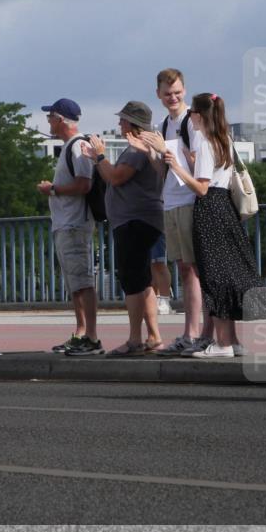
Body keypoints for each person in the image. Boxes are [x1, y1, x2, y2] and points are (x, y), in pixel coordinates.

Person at [164, 93, 259, 358]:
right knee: (227, 274)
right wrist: (192, 163)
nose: (189, 117)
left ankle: (224, 344)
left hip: (209, 211)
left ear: (199, 114)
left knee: (214, 277)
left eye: (192, 111)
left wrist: (177, 167)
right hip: (225, 208)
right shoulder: (224, 140)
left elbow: (202, 188)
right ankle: (232, 341)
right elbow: (217, 175)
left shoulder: (205, 142)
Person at [82, 102, 165, 356]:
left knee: (131, 280)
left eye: (123, 121)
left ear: (132, 123)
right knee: (143, 280)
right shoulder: (145, 147)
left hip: (134, 221)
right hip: (142, 220)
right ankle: (153, 336)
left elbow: (115, 176)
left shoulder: (137, 150)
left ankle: (134, 339)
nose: (120, 124)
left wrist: (98, 156)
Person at [148, 68, 213, 355]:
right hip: (171, 200)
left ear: (184, 90)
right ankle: (191, 332)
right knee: (184, 268)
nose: (172, 97)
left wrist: (170, 155)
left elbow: (199, 163)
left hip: (189, 199)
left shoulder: (191, 121)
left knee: (194, 269)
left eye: (176, 92)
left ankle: (196, 332)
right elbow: (161, 170)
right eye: (167, 93)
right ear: (159, 94)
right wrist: (151, 153)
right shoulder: (163, 124)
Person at [37, 98, 102, 356]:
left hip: (75, 223)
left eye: (50, 117)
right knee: (74, 282)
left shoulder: (78, 146)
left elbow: (84, 185)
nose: (48, 122)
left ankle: (92, 336)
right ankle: (81, 332)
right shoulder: (69, 147)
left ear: (60, 119)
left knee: (83, 282)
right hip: (67, 223)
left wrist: (52, 189)